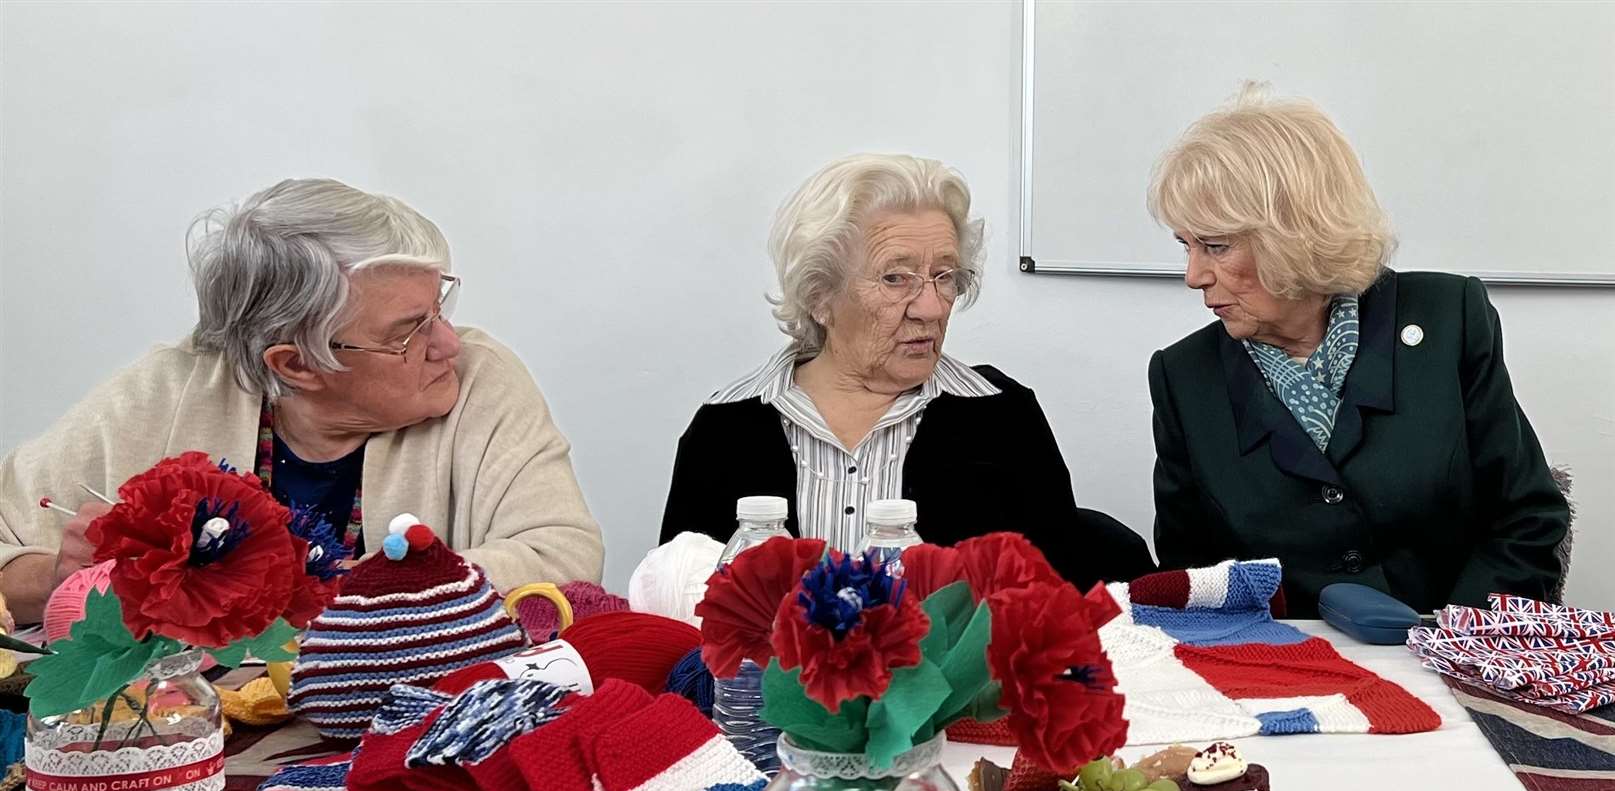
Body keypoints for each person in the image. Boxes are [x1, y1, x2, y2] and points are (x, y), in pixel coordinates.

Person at [0, 179, 603, 624]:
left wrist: (342, 590)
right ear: (295, 363)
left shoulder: (478, 378)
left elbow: (565, 560)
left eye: (440, 308)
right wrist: (53, 580)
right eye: (407, 332)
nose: (446, 343)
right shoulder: (167, 391)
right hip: (202, 735)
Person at [1145, 89, 1568, 617]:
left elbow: (1527, 520)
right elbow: (1196, 581)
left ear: (1295, 233)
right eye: (1186, 246)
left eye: (1215, 245)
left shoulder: (1448, 318)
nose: (1193, 276)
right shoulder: (1183, 377)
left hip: (1455, 660)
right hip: (1287, 674)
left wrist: (1450, 649)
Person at [660, 153, 1152, 589]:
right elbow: (679, 617)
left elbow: (1051, 605)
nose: (932, 307)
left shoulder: (1001, 417)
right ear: (819, 296)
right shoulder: (724, 430)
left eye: (946, 277)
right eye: (896, 278)